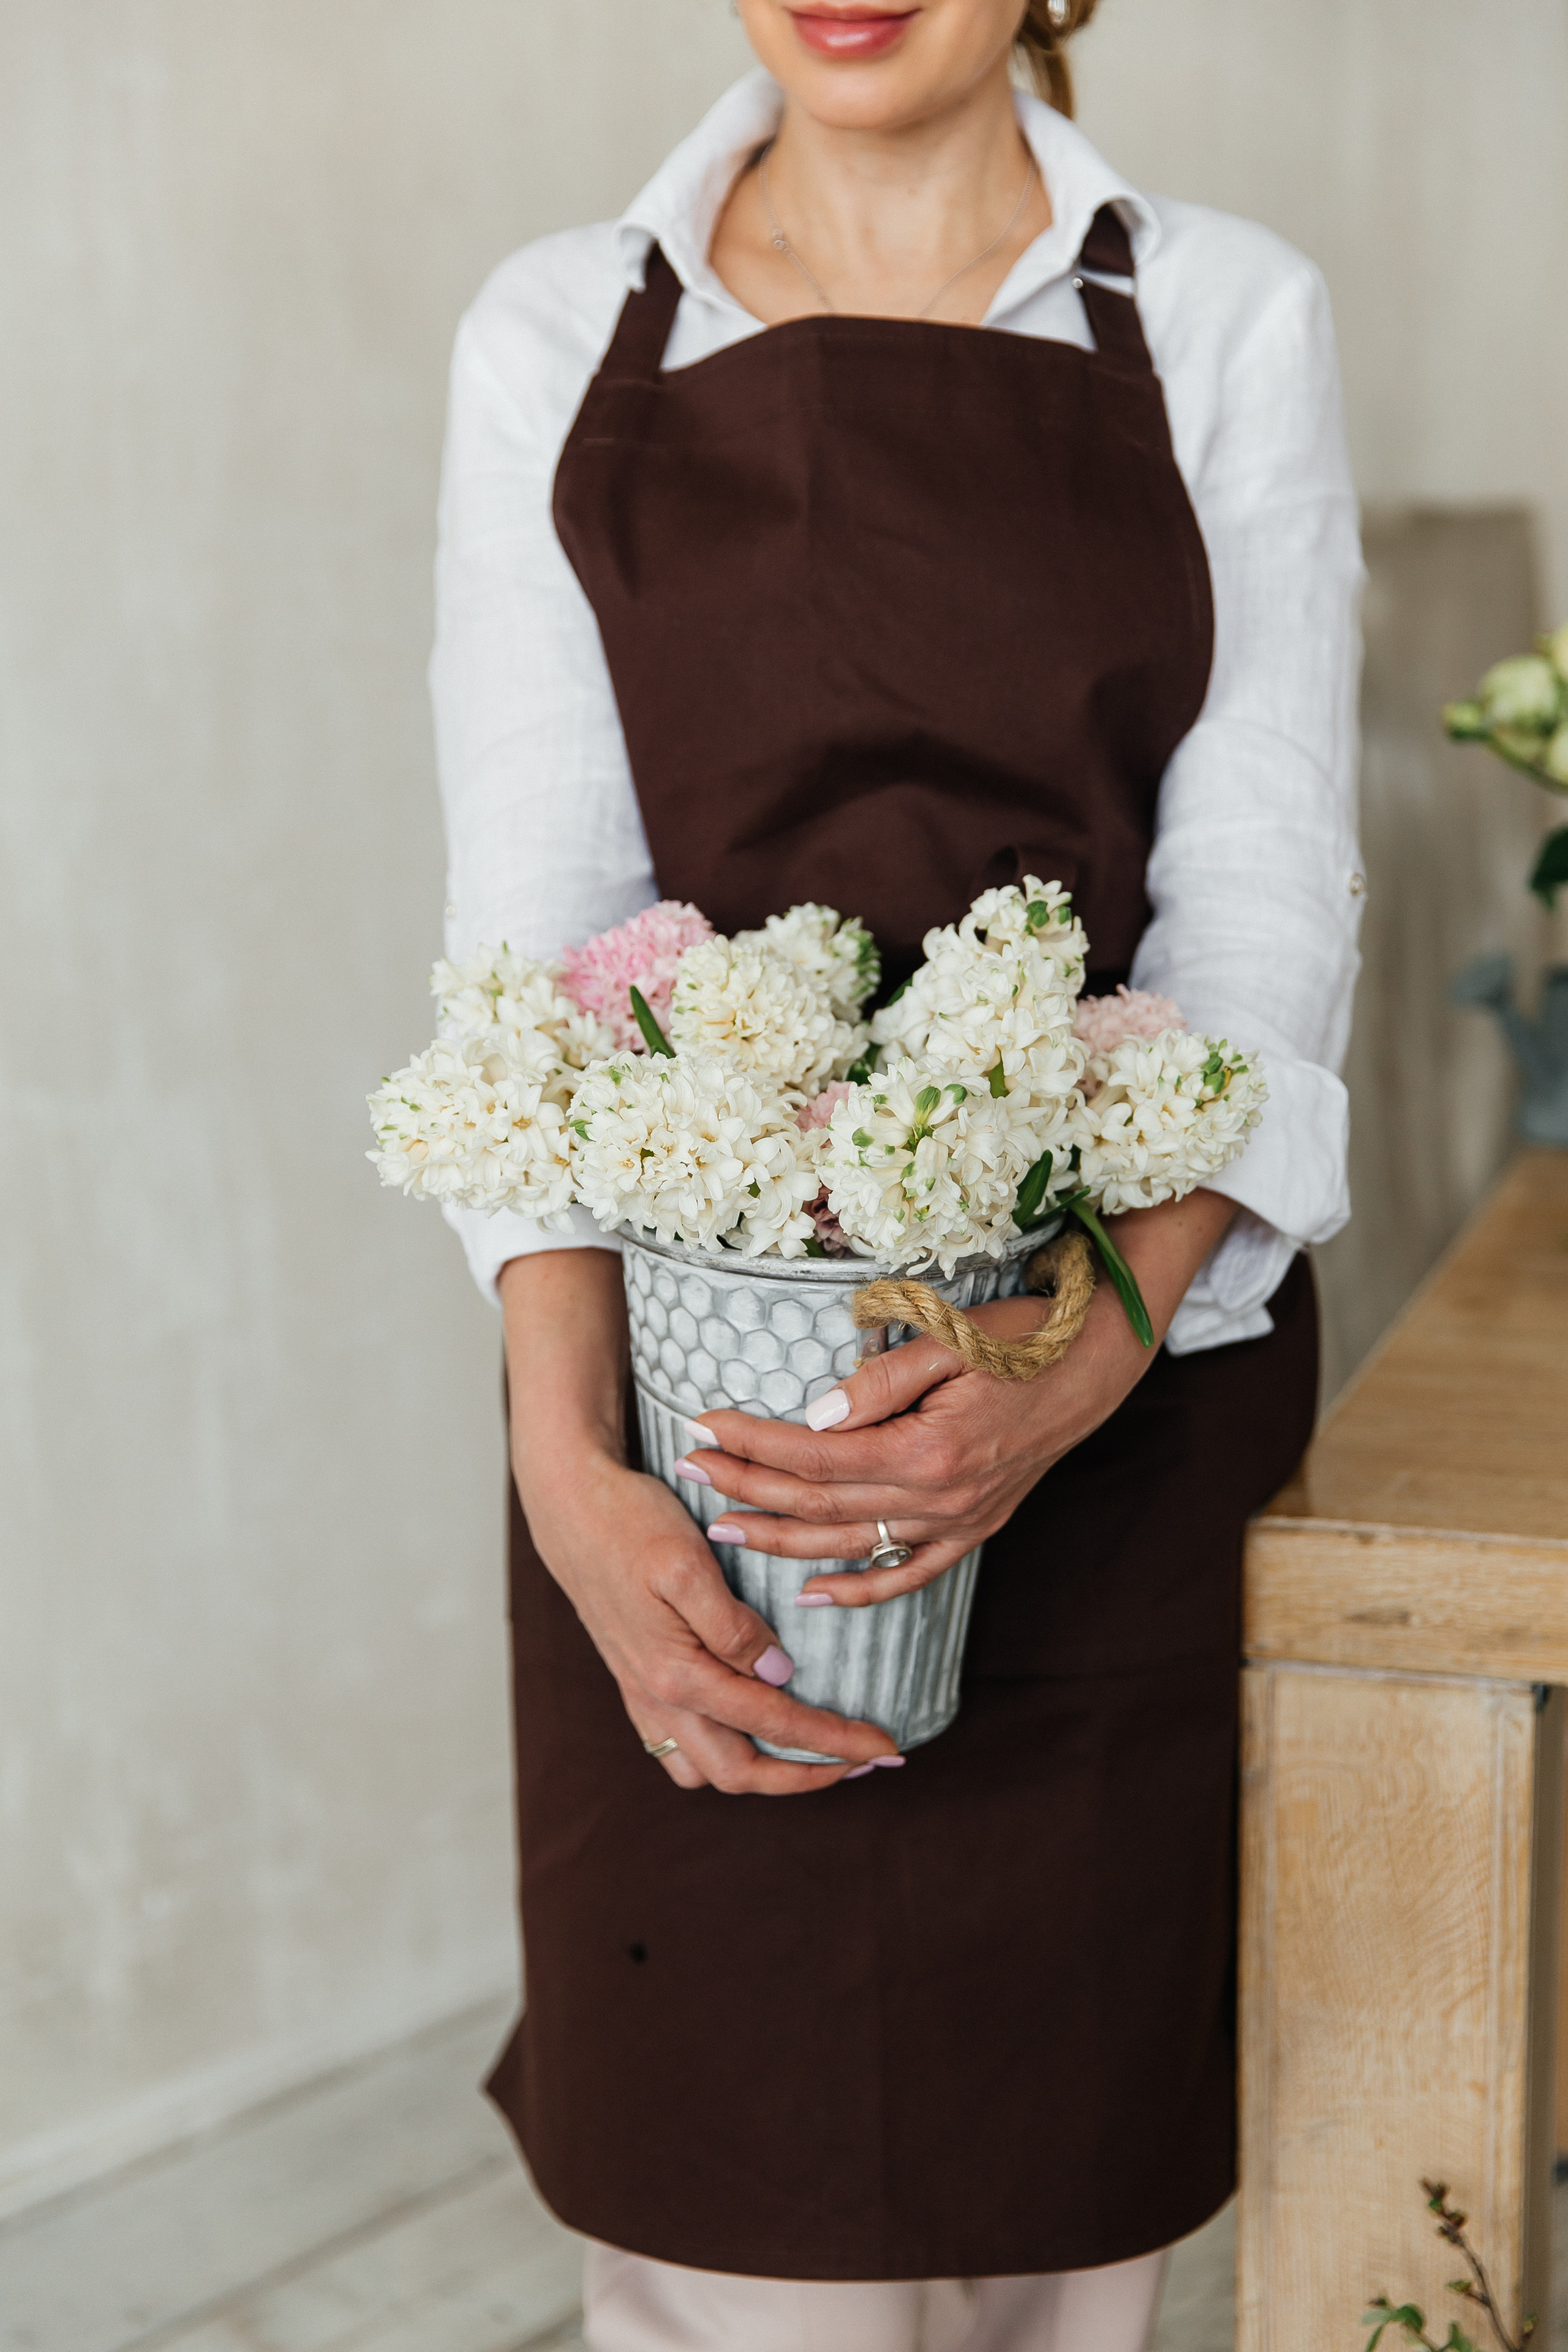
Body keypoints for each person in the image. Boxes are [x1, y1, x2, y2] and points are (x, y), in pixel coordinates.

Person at [431, 2, 1363, 2345]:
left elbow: (1259, 935)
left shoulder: (1226, 313)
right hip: (680, 1431)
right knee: (720, 2239)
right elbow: (531, 955)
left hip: (1122, 1424)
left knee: (1073, 2238)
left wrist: (1067, 1362)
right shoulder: (558, 327)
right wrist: (567, 1468)